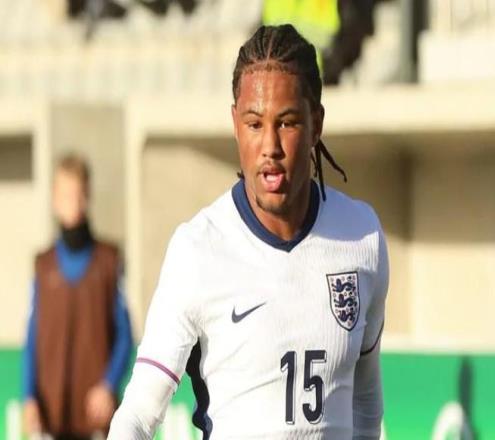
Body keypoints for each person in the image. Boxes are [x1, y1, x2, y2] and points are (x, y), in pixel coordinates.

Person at [108, 23, 389, 440]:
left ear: (316, 124)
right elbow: (137, 415)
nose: (270, 146)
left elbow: (365, 401)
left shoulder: (362, 237)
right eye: (255, 124)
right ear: (235, 124)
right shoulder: (197, 249)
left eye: (287, 123)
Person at [23, 154, 133, 440]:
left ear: (87, 197)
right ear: (54, 200)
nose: (72, 203)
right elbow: (32, 337)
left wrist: (108, 384)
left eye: (77, 194)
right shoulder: (42, 266)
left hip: (96, 420)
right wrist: (28, 396)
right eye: (65, 195)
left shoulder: (109, 261)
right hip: (51, 417)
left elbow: (125, 335)